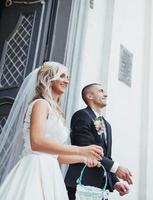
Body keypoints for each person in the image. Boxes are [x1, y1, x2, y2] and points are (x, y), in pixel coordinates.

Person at [0, 62, 103, 200]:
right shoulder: (41, 104)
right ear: (49, 78)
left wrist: (83, 158)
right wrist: (80, 150)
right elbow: (36, 142)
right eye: (61, 76)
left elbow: (55, 156)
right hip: (34, 170)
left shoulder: (56, 111)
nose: (66, 81)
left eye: (67, 77)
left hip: (51, 172)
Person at [65, 83, 133, 200]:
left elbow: (105, 155)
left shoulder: (104, 124)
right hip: (81, 186)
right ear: (90, 96)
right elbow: (86, 150)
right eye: (101, 91)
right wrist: (116, 168)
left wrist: (116, 182)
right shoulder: (81, 116)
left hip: (100, 189)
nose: (106, 94)